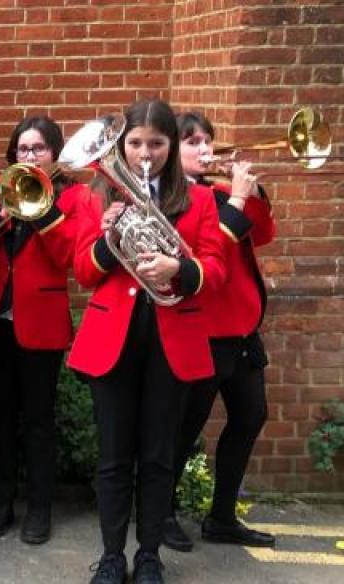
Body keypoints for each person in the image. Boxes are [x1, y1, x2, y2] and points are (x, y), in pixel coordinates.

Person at [69, 99, 226, 584]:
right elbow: (85, 272)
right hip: (113, 340)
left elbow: (216, 271)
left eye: (156, 144)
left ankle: (151, 556)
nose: (145, 152)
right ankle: (113, 556)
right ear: (122, 146)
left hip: (170, 340)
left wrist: (177, 270)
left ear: (172, 148)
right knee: (114, 458)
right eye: (135, 142)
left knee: (158, 459)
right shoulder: (100, 196)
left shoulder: (198, 200)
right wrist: (109, 234)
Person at [0, 116, 81, 545]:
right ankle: (1, 502)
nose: (29, 156)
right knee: (0, 417)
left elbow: (69, 256)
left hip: (40, 324)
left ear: (54, 155)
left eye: (38, 149)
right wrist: (4, 212)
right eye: (23, 150)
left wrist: (41, 208)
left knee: (38, 421)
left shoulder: (74, 197)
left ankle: (40, 507)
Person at [162, 112, 277, 552]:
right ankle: (161, 511)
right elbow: (206, 252)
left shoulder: (224, 192)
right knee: (183, 427)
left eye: (208, 141)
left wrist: (253, 193)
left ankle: (223, 515)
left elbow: (262, 234)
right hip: (202, 328)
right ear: (172, 150)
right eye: (192, 142)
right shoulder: (175, 201)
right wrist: (237, 202)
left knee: (251, 415)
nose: (205, 150)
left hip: (242, 326)